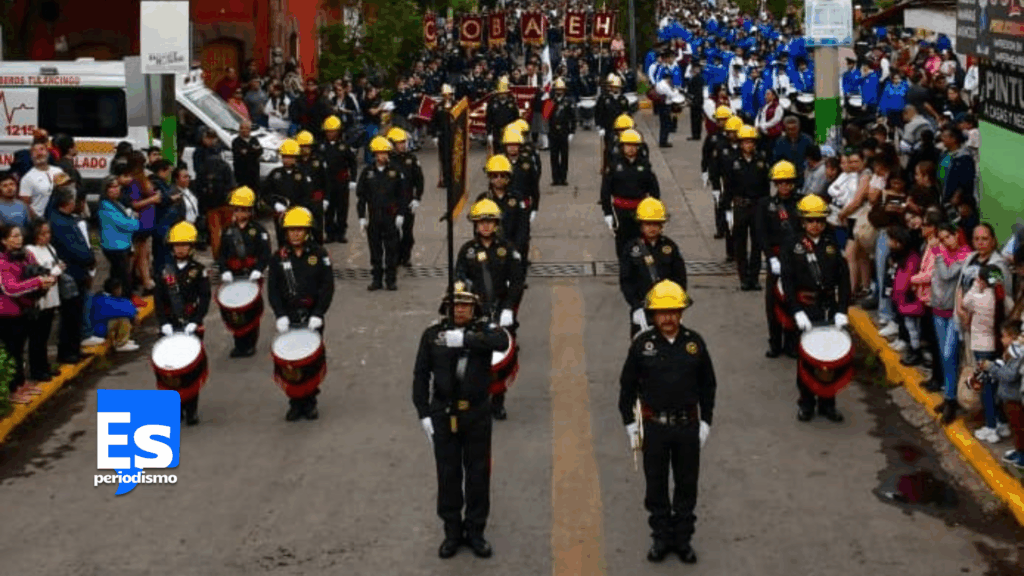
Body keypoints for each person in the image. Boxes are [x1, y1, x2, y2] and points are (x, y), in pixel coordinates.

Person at [618, 279, 715, 564]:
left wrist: (706, 422)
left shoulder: (694, 343)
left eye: (673, 311)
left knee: (686, 485)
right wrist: (630, 424)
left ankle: (683, 540)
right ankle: (661, 538)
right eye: (662, 312)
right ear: (653, 314)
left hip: (687, 426)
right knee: (656, 485)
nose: (668, 318)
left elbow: (708, 385)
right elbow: (627, 387)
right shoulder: (642, 345)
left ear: (681, 312)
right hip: (654, 427)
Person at [412, 279, 510, 559]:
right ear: (446, 307)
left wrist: (466, 340)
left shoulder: (484, 331)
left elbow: (503, 342)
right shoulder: (433, 335)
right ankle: (452, 532)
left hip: (476, 414)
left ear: (475, 307)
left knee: (478, 474)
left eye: (466, 305)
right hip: (444, 413)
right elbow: (421, 375)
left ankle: (476, 530)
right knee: (448, 474)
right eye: (455, 305)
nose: (460, 310)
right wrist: (423, 412)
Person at [782, 195, 851, 422]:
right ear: (802, 222)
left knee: (830, 358)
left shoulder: (832, 243)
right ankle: (806, 403)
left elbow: (844, 279)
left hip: (828, 308)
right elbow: (787, 281)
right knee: (807, 359)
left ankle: (828, 404)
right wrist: (796, 311)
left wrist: (842, 310)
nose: (815, 225)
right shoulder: (793, 245)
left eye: (820, 220)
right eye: (810, 220)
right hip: (805, 307)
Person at [455, 199, 526, 420]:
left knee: (501, 360)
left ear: (496, 224)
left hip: (501, 312)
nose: (485, 226)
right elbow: (459, 279)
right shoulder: (467, 251)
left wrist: (508, 309)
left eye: (490, 221)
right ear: (475, 225)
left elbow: (517, 282)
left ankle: (498, 402)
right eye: (481, 222)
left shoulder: (508, 250)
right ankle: (476, 400)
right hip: (476, 312)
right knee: (473, 356)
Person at [268, 207, 334, 421]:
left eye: (299, 229)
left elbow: (327, 286)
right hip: (289, 317)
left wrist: (319, 313)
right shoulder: (278, 257)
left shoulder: (319, 254)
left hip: (312, 317)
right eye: (291, 230)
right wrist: (279, 315)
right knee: (290, 362)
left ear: (307, 231)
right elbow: (273, 289)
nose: (295, 234)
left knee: (310, 361)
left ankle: (310, 402)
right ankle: (295, 403)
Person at [154, 221, 211, 426]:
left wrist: (195, 321)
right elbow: (158, 299)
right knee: (169, 368)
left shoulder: (199, 270)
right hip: (170, 325)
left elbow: (204, 298)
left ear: (191, 246)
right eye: (177, 244)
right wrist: (163, 323)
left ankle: (191, 409)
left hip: (190, 325)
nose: (180, 248)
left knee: (190, 370)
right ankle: (174, 408)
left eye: (184, 244)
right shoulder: (164, 270)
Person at [0, 223, 56, 404]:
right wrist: (37, 282)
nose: (19, 239)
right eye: (14, 236)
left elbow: (37, 272)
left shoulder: (26, 255)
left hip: (26, 309)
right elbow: (10, 288)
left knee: (20, 349)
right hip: (8, 313)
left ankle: (22, 383)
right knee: (12, 352)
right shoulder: (2, 262)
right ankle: (13, 390)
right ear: (4, 240)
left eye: (20, 235)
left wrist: (47, 279)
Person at [619, 198, 687, 338]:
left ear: (662, 225)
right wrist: (636, 306)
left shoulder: (670, 247)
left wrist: (677, 307)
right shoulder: (631, 249)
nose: (652, 228)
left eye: (656, 223)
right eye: (648, 224)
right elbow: (626, 280)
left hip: (667, 308)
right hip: (642, 308)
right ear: (641, 225)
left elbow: (680, 278)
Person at [217, 186, 272, 358]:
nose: (239, 213)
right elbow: (221, 254)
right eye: (236, 209)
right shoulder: (228, 230)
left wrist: (258, 269)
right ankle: (239, 343)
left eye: (243, 209)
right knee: (235, 311)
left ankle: (250, 344)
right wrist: (224, 270)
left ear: (250, 211)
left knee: (250, 311)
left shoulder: (259, 230)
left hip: (251, 276)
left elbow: (265, 253)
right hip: (233, 276)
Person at [758, 161, 802, 358]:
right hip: (776, 258)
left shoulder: (801, 203)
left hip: (796, 257)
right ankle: (775, 342)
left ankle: (792, 343)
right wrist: (770, 258)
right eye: (781, 182)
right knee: (773, 301)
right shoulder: (765, 204)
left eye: (788, 182)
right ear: (775, 183)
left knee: (793, 300)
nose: (784, 186)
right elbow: (761, 234)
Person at [48, 188, 96, 365]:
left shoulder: (68, 219)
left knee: (76, 314)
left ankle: (74, 349)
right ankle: (67, 352)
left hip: (79, 272)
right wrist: (88, 258)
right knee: (70, 315)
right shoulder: (59, 222)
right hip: (70, 274)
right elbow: (72, 248)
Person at [356, 136, 407, 291]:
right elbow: (361, 197)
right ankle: (376, 279)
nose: (382, 156)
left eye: (385, 153)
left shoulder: (395, 171)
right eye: (379, 153)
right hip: (374, 216)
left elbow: (402, 195)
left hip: (390, 216)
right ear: (374, 154)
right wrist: (362, 217)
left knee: (392, 249)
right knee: (375, 250)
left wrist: (401, 214)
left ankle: (391, 279)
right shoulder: (367, 173)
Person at [723, 125, 770, 291]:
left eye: (751, 142)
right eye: (745, 142)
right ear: (740, 143)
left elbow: (765, 187)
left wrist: (766, 206)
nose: (748, 145)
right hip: (740, 205)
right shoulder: (733, 161)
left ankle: (754, 278)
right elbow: (728, 185)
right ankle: (743, 277)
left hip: (757, 205)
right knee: (740, 243)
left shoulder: (761, 160)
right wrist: (727, 208)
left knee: (757, 243)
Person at [600, 129, 661, 258]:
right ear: (622, 146)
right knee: (622, 242)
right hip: (620, 211)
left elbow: (654, 189)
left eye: (634, 145)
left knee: (641, 243)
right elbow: (605, 191)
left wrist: (655, 210)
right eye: (628, 145)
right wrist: (607, 212)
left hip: (640, 210)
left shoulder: (645, 165)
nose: (631, 148)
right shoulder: (614, 166)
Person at [24, 219, 66, 381]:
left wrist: (58, 268)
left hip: (52, 296)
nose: (46, 236)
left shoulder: (50, 248)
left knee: (45, 334)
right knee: (37, 336)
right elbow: (38, 273)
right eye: (42, 233)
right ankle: (37, 370)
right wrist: (55, 271)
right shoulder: (29, 251)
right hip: (40, 298)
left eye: (48, 233)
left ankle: (45, 366)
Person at [475, 155, 528, 262]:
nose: (499, 179)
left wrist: (517, 249)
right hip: (490, 251)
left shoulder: (517, 198)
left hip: (513, 248)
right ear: (490, 178)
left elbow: (523, 226)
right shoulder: (483, 199)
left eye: (502, 175)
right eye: (495, 176)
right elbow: (477, 229)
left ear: (508, 178)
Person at [386, 128, 424, 267]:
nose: (402, 145)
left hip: (407, 201)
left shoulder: (411, 159)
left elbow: (419, 179)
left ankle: (405, 256)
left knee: (408, 233)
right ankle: (394, 257)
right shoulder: (387, 160)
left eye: (404, 142)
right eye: (399, 143)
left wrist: (417, 198)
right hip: (392, 202)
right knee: (392, 233)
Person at [264, 140, 313, 247]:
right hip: (280, 214)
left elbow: (308, 194)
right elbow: (265, 193)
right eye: (285, 157)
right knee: (281, 240)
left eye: (290, 157)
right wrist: (274, 204)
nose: (287, 160)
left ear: (295, 158)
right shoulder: (275, 174)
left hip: (297, 214)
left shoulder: (302, 174)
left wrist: (301, 208)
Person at [318, 115, 358, 244]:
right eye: (328, 131)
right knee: (328, 209)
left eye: (333, 131)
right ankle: (330, 233)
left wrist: (353, 179)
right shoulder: (321, 147)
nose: (330, 134)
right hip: (326, 183)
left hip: (341, 182)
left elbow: (353, 163)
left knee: (342, 208)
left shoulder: (344, 147)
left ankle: (341, 233)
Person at [89, 277, 140, 352]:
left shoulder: (101, 297)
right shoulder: (104, 301)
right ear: (115, 289)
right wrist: (135, 313)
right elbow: (127, 310)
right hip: (99, 331)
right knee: (123, 319)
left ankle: (121, 340)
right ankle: (121, 344)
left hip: (99, 328)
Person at [546, 78, 575, 186]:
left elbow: (573, 118)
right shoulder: (550, 101)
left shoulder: (568, 102)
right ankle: (555, 178)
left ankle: (563, 178)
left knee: (564, 156)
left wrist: (572, 132)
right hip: (553, 132)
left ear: (564, 90)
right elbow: (545, 116)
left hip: (564, 131)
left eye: (561, 89)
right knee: (553, 156)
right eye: (557, 89)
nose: (559, 91)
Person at [231, 120, 263, 194]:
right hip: (242, 174)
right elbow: (240, 155)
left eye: (247, 128)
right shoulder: (236, 141)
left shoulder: (254, 140)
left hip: (254, 174)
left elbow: (260, 151)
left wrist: (248, 151)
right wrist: (253, 151)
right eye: (242, 128)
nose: (245, 130)